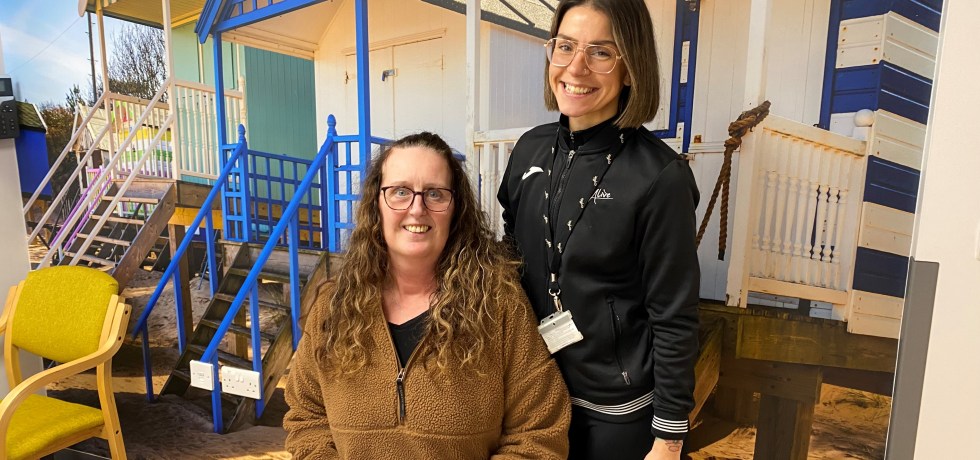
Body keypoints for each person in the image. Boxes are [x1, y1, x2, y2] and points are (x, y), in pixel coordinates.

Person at [284, 132, 571, 459]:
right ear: (376, 204)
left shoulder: (499, 305)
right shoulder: (333, 309)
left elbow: (539, 432)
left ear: (455, 209)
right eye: (400, 192)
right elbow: (307, 416)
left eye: (435, 194)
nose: (417, 209)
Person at [497, 0, 701, 459]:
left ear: (631, 67)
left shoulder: (658, 176)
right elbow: (512, 249)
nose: (576, 67)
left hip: (619, 412)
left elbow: (674, 315)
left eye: (601, 52)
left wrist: (668, 441)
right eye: (565, 46)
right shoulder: (529, 150)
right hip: (533, 401)